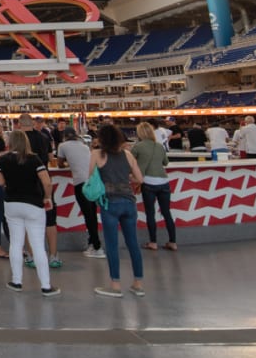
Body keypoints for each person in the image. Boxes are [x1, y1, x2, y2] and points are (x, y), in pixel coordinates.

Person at [0, 129, 60, 296]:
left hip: (12, 204)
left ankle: (16, 281)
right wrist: (47, 198)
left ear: (10, 142)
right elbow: (47, 182)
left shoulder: (3, 160)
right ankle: (46, 285)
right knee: (37, 245)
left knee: (16, 243)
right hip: (33, 204)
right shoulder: (34, 159)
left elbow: (0, 182)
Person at [91, 124, 146, 299]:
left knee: (112, 245)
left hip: (109, 203)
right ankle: (138, 284)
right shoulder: (128, 155)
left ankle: (115, 285)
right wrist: (126, 177)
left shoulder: (97, 155)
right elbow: (139, 178)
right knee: (133, 243)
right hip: (129, 202)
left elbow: (90, 177)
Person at [54, 125, 103, 260]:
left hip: (80, 183)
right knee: (92, 213)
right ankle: (93, 243)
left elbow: (59, 164)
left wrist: (69, 164)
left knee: (88, 215)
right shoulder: (84, 145)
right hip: (91, 181)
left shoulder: (62, 146)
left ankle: (97, 247)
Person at [136, 121, 176, 251]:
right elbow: (166, 162)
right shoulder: (159, 146)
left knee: (150, 213)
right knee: (166, 213)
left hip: (148, 182)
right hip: (164, 182)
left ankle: (153, 242)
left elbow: (129, 163)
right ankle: (173, 242)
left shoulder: (138, 146)